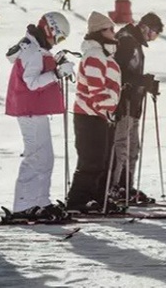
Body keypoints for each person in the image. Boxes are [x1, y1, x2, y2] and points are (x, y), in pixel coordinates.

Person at [4, 12, 73, 220]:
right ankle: (23, 205)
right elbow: (32, 82)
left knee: (45, 157)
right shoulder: (33, 51)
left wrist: (55, 63)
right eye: (58, 37)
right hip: (30, 110)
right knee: (36, 156)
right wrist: (57, 73)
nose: (56, 42)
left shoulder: (36, 48)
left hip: (34, 109)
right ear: (49, 29)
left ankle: (40, 201)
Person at [66, 12, 123, 213]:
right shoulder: (94, 56)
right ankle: (77, 200)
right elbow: (96, 89)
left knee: (103, 160)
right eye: (110, 29)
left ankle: (98, 196)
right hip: (90, 116)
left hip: (99, 115)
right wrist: (105, 110)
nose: (114, 33)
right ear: (100, 32)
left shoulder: (103, 54)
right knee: (92, 160)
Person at [111, 12, 164, 203]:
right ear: (145, 27)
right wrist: (142, 81)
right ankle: (114, 188)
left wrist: (146, 84)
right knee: (122, 146)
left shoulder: (132, 41)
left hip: (133, 104)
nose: (153, 38)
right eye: (154, 33)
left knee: (133, 147)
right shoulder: (126, 41)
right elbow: (119, 74)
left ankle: (126, 186)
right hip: (123, 102)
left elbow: (131, 74)